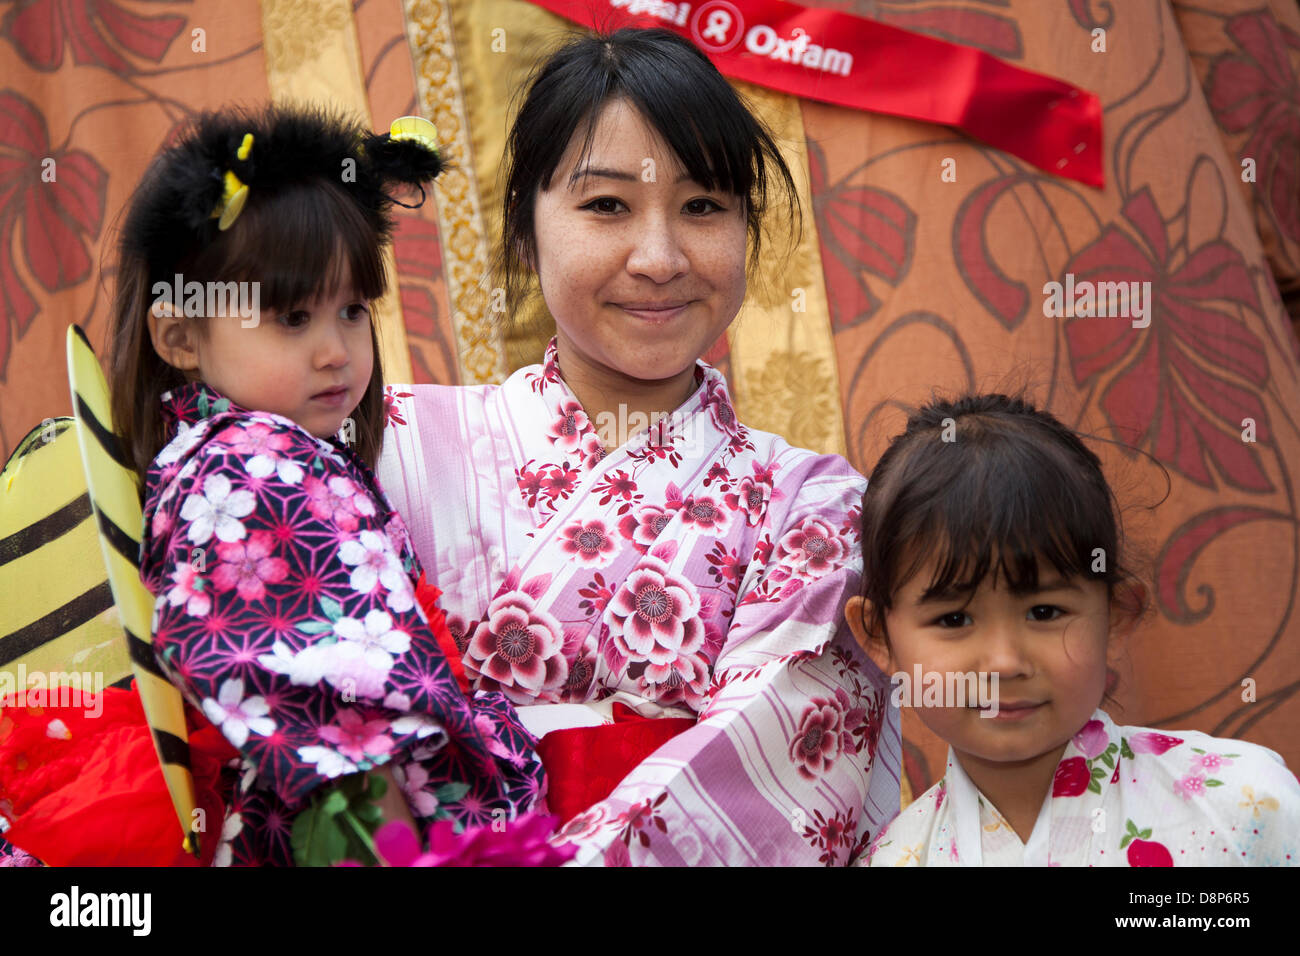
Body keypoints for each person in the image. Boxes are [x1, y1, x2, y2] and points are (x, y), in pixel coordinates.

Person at [377, 27, 899, 866]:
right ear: (525, 232)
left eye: (702, 207)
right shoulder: (386, 449)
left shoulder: (817, 509)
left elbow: (783, 791)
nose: (659, 258)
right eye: (607, 205)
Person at [0, 105, 544, 867]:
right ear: (180, 334)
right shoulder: (256, 467)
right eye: (292, 317)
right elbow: (347, 744)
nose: (337, 352)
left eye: (353, 310)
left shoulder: (234, 452)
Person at [847, 394, 1300, 866]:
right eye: (954, 619)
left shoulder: (1244, 806)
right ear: (879, 636)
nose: (1005, 661)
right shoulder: (892, 859)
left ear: (1116, 614)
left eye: (1044, 612)